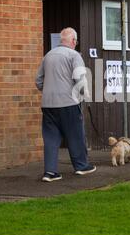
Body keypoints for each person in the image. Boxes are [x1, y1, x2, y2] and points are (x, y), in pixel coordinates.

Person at [35, 27, 96, 182]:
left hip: (48, 104)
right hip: (68, 103)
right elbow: (80, 80)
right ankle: (81, 166)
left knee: (50, 139)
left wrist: (50, 91)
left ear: (61, 40)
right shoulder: (74, 55)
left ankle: (50, 172)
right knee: (75, 135)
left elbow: (38, 81)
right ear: (74, 41)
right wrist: (84, 96)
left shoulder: (48, 56)